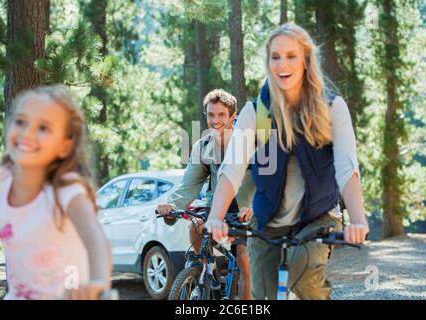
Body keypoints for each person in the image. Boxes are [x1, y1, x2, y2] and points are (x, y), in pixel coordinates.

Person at [205, 23, 369, 300]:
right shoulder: (255, 112)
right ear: (268, 62)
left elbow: (346, 169)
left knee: (302, 268)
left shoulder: (330, 107)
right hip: (267, 219)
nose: (283, 64)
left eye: (291, 56)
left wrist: (358, 220)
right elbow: (232, 169)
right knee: (263, 294)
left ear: (305, 60)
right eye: (275, 57)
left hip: (318, 217)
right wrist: (215, 216)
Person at [0, 85, 112, 300]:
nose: (27, 133)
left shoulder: (66, 191)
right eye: (20, 121)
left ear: (65, 147)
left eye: (43, 128)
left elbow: (94, 237)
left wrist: (98, 282)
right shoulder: (2, 181)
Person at [157, 89, 255, 300]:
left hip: (245, 208)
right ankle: (205, 275)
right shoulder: (202, 147)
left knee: (243, 258)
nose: (215, 120)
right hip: (216, 206)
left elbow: (267, 183)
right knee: (195, 226)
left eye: (221, 115)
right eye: (211, 115)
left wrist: (255, 207)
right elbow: (189, 184)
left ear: (233, 116)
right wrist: (171, 205)